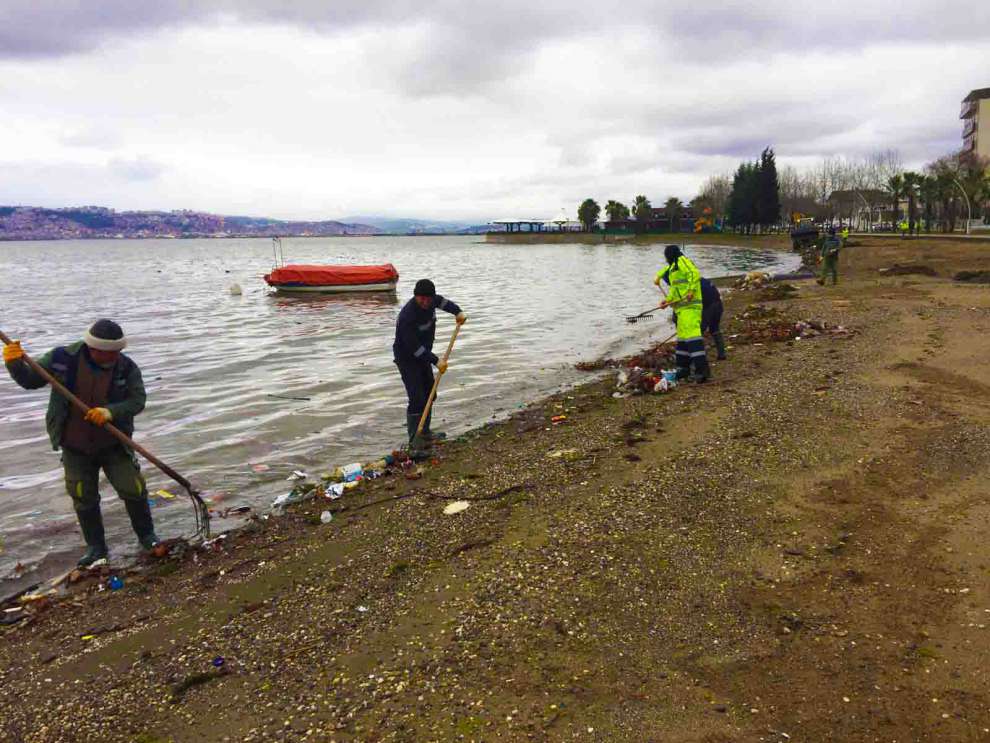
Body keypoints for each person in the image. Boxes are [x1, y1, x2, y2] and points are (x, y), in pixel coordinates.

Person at [3, 320, 158, 566]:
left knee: (134, 489)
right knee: (83, 497)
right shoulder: (62, 358)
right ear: (91, 347)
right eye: (107, 353)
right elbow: (30, 381)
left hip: (114, 443)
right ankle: (96, 549)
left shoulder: (126, 367)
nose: (112, 357)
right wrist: (14, 363)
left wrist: (111, 412)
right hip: (74, 445)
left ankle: (148, 537)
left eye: (116, 352)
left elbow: (137, 400)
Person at [393, 279, 466, 453]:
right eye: (421, 299)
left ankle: (425, 433)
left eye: (428, 299)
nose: (425, 302)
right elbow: (414, 348)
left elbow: (444, 303)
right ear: (415, 297)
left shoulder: (433, 301)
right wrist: (435, 360)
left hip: (424, 355)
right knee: (417, 398)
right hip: (407, 358)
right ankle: (414, 441)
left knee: (430, 394)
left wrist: (458, 312)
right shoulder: (407, 317)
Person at [655, 245, 710, 383]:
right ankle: (683, 369)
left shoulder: (682, 260)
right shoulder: (674, 269)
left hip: (691, 307)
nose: (665, 259)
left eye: (666, 256)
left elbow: (693, 273)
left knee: (693, 338)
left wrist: (691, 290)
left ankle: (702, 371)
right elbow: (675, 290)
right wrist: (667, 301)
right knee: (683, 339)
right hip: (681, 310)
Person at [656, 267, 726, 361]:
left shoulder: (686, 284)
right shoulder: (690, 278)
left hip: (708, 307)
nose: (669, 284)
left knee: (695, 333)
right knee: (714, 328)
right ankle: (721, 354)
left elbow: (685, 303)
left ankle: (696, 359)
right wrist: (669, 301)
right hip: (718, 304)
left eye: (668, 281)